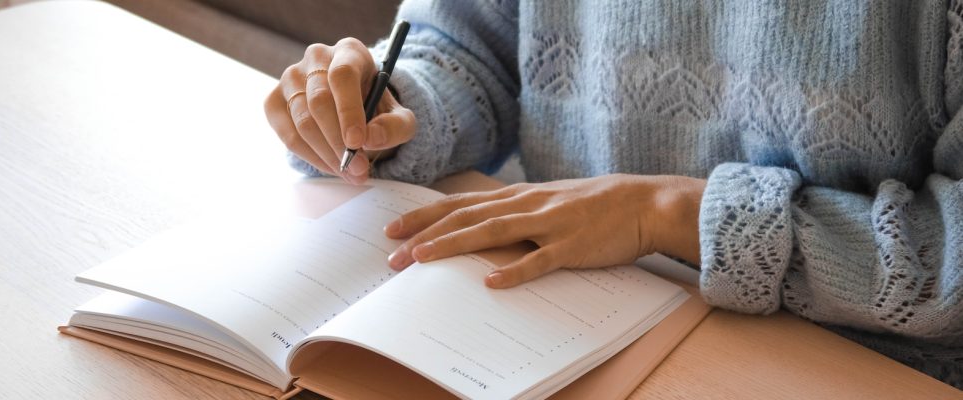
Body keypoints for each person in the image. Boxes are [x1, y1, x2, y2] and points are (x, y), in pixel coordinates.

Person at [264, 0, 963, 389]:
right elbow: (472, 47)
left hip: (854, 369)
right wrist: (391, 108)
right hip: (554, 330)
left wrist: (670, 213)